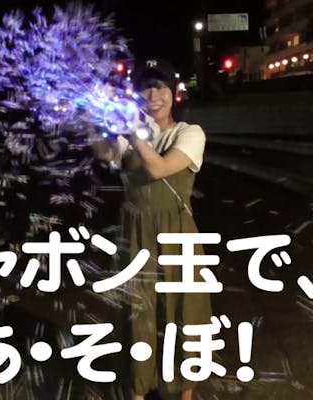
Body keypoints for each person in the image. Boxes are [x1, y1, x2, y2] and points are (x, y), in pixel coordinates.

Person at [93, 58, 212, 400]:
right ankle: (138, 389)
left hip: (177, 235)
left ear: (174, 93)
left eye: (161, 87)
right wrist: (98, 117)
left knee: (184, 312)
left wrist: (134, 129)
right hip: (135, 235)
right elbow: (103, 152)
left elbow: (159, 168)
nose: (153, 95)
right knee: (138, 315)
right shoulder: (128, 136)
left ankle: (184, 393)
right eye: (145, 88)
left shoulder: (190, 133)